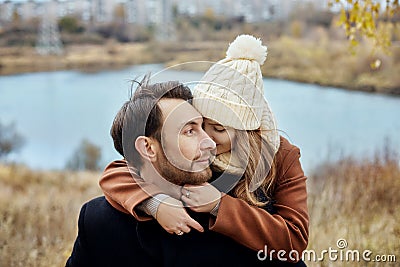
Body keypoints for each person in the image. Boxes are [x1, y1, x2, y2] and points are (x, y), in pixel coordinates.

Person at [99, 34, 309, 264]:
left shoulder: (281, 157)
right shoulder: (197, 151)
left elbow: (294, 241)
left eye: (217, 129)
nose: (206, 139)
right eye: (197, 126)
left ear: (246, 132)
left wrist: (221, 205)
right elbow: (118, 172)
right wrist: (154, 203)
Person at [66, 77, 303, 266]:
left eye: (205, 127)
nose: (210, 142)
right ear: (147, 147)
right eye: (189, 131)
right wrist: (154, 203)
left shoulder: (248, 212)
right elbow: (117, 170)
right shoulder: (98, 222)